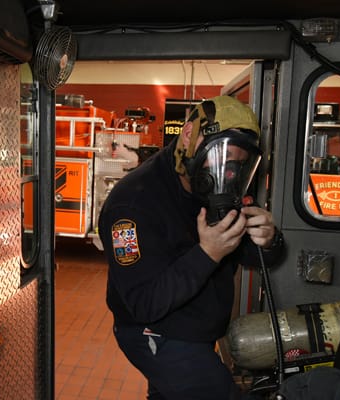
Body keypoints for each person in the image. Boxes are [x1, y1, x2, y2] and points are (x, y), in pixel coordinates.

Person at [98, 95, 285, 400]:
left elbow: (252, 253)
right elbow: (144, 303)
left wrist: (269, 238)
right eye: (220, 157)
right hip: (156, 334)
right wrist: (208, 253)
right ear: (188, 135)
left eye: (237, 165)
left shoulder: (214, 184)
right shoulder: (131, 205)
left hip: (198, 333)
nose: (226, 173)